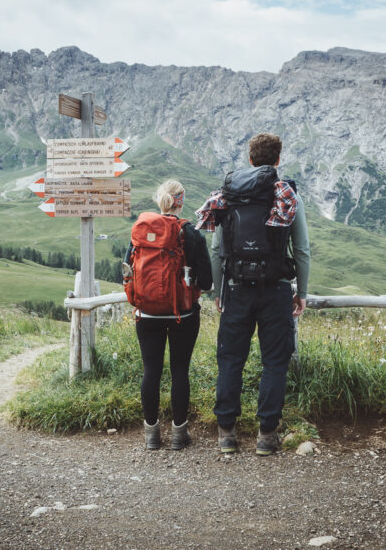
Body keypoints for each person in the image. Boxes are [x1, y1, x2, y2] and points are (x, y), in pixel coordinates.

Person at [195, 133, 310, 455]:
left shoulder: (227, 196)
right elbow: (301, 250)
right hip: (275, 290)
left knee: (230, 360)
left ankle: (227, 434)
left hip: (235, 290)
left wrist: (218, 291)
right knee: (275, 362)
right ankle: (266, 435)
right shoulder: (286, 195)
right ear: (277, 160)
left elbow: (218, 250)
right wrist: (301, 292)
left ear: (250, 159)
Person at [125, 180, 212, 450]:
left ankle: (151, 436)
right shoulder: (191, 233)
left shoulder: (140, 230)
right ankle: (178, 434)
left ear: (160, 201)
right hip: (182, 315)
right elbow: (207, 281)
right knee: (179, 371)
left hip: (147, 312)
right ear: (180, 201)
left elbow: (129, 269)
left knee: (150, 371)